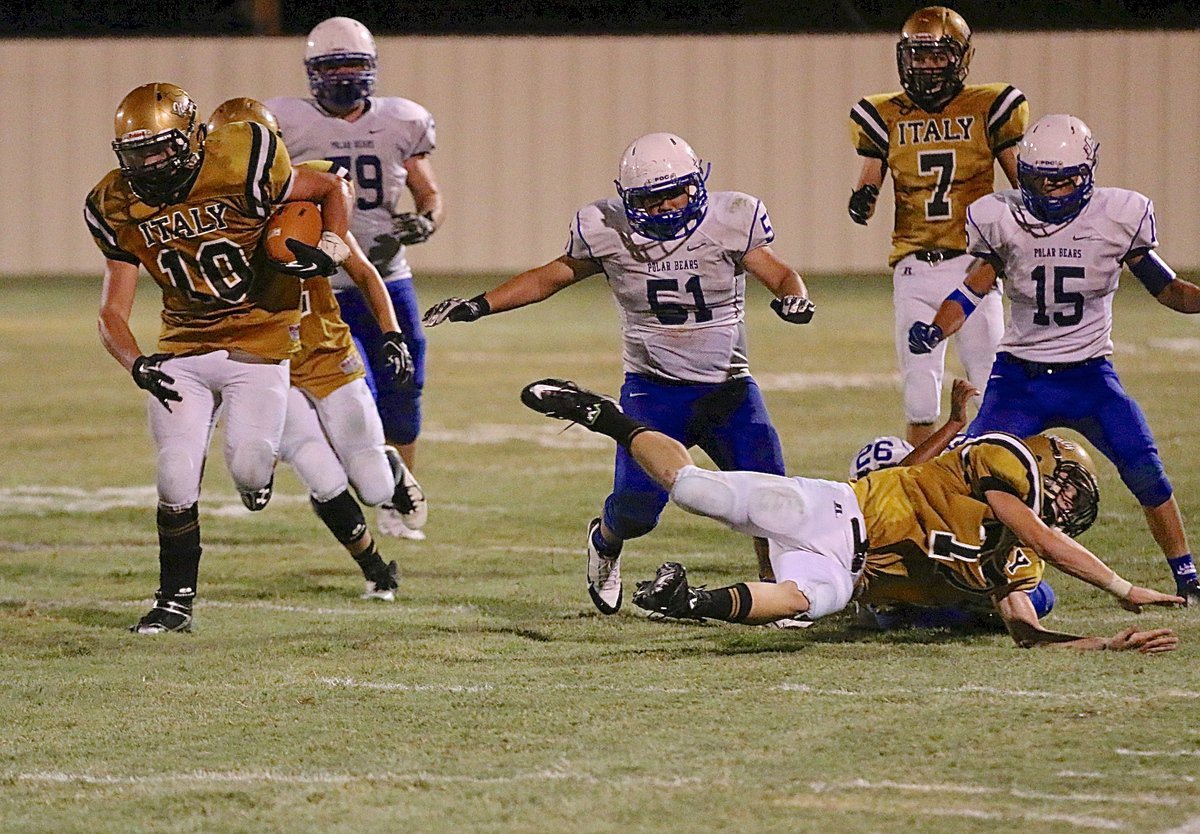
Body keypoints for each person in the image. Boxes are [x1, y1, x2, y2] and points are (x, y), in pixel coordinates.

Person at [423, 132, 815, 615]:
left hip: (728, 390)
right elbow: (552, 275)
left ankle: (774, 590)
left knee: (769, 493)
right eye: (651, 197)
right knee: (636, 510)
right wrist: (480, 304)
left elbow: (777, 271)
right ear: (629, 200)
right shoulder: (607, 229)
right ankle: (605, 542)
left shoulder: (731, 219)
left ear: (697, 184)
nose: (667, 205)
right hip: (653, 391)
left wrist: (793, 295)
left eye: (675, 192)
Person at [519, 377, 1183, 652]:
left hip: (848, 566)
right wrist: (1124, 590)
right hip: (835, 509)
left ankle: (688, 602)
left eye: (1074, 500)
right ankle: (603, 415)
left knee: (816, 598)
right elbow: (1036, 528)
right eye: (1065, 486)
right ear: (1044, 463)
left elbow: (1029, 634)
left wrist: (1105, 643)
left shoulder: (1019, 562)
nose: (1064, 504)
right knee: (698, 492)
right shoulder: (996, 460)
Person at [86, 82, 355, 632]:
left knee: (251, 466)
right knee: (175, 474)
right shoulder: (114, 203)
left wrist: (335, 244)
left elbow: (328, 187)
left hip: (258, 342)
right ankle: (174, 601)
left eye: (159, 147)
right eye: (136, 151)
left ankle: (260, 477)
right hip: (183, 346)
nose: (149, 162)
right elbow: (111, 311)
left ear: (191, 138)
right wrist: (137, 362)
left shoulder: (242, 160)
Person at [908, 113, 1200, 606]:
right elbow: (972, 288)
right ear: (1024, 174)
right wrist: (938, 327)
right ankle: (932, 567)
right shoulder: (1002, 218)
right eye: (1043, 179)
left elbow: (1168, 289)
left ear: (1087, 172)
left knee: (1145, 467)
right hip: (1019, 376)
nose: (1054, 190)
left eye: (1064, 179)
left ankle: (1186, 571)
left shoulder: (1118, 216)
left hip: (1089, 375)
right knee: (965, 474)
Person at [207, 98, 426, 601]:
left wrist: (390, 333)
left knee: (372, 485)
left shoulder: (304, 199)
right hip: (266, 363)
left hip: (324, 349)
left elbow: (362, 269)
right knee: (321, 475)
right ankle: (374, 568)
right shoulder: (202, 219)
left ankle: (388, 467)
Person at [266, 16, 444, 541]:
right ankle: (365, 483)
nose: (344, 75)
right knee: (347, 392)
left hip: (386, 276)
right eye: (332, 66)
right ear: (312, 73)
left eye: (354, 65)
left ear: (372, 69)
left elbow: (428, 192)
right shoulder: (284, 122)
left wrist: (427, 220)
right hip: (315, 283)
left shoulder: (401, 120)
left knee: (403, 385)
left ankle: (395, 496)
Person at [848, 5, 1028, 446]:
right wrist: (863, 198)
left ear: (960, 57)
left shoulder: (987, 106)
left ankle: (1001, 480)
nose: (928, 66)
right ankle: (919, 490)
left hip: (974, 266)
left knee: (990, 381)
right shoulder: (884, 113)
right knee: (920, 393)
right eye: (919, 56)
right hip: (915, 267)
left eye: (938, 56)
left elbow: (1022, 184)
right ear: (904, 58)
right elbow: (868, 186)